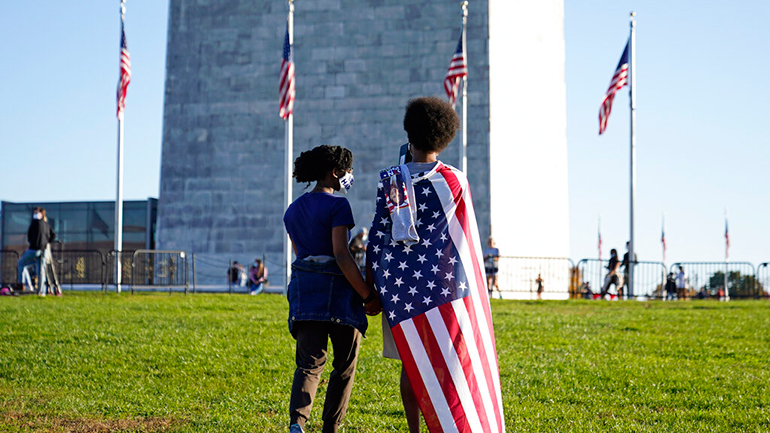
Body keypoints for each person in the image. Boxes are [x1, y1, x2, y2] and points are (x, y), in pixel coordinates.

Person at [367, 97, 505, 433]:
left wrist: (371, 286)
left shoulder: (390, 180)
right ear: (445, 138)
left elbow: (377, 237)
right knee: (449, 358)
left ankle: (415, 428)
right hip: (445, 287)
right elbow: (464, 238)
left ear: (409, 133)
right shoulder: (455, 181)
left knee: (411, 360)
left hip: (399, 288)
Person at [283, 144, 382, 433]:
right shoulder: (339, 205)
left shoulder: (292, 210)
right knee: (344, 365)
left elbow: (302, 253)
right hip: (339, 293)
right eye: (348, 170)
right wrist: (367, 294)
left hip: (305, 290)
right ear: (335, 172)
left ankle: (297, 422)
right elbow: (341, 255)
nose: (349, 176)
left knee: (309, 363)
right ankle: (331, 427)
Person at [17, 207, 56, 294]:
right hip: (43, 250)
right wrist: (47, 242)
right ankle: (41, 291)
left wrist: (33, 243)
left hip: (34, 249)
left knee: (21, 263)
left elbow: (30, 235)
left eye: (36, 212)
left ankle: (21, 283)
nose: (35, 214)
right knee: (40, 271)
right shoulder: (46, 225)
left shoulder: (35, 223)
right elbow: (53, 235)